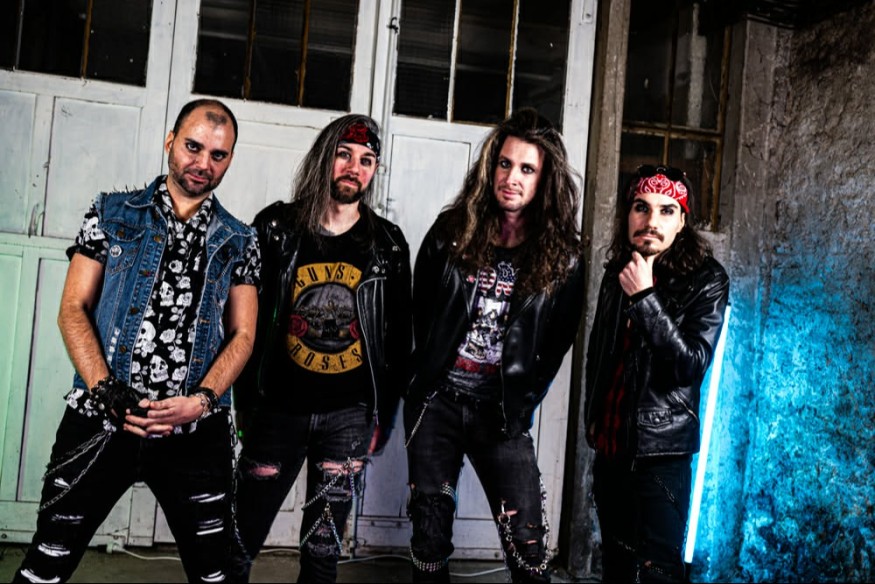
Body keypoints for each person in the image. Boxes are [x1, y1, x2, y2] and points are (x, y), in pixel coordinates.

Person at [12, 99, 261, 584]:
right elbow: (73, 308)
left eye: (218, 154)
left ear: (230, 159)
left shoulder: (239, 239)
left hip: (194, 431)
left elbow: (244, 334)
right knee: (46, 563)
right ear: (170, 141)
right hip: (102, 418)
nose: (203, 163)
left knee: (217, 575)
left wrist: (201, 402)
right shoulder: (111, 214)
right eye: (193, 147)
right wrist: (106, 390)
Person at [404, 108, 585, 583]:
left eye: (527, 168)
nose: (512, 178)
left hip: (501, 413)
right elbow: (421, 312)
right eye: (505, 164)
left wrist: (522, 399)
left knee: (528, 548)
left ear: (545, 179)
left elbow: (558, 341)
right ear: (491, 167)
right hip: (437, 404)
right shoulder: (451, 232)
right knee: (428, 538)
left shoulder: (563, 256)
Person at [230, 114, 412, 583]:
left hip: (349, 416)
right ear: (323, 157)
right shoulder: (276, 228)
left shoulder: (388, 246)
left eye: (367, 160)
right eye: (344, 155)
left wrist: (384, 416)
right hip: (277, 409)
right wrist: (243, 401)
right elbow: (244, 323)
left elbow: (397, 341)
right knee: (237, 541)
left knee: (322, 550)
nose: (354, 168)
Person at [585, 165, 730, 582]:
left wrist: (646, 297)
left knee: (658, 573)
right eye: (641, 207)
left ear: (683, 220)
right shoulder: (617, 272)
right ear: (627, 215)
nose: (651, 221)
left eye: (667, 210)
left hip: (661, 455)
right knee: (615, 566)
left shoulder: (707, 280)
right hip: (611, 448)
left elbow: (690, 365)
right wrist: (592, 417)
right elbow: (600, 352)